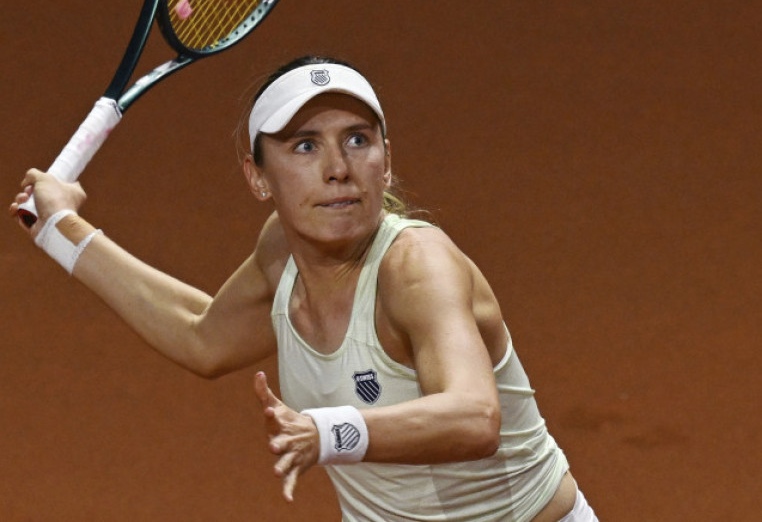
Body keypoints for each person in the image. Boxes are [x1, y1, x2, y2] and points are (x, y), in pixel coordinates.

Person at [10, 56, 598, 522]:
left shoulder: (416, 267)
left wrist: (329, 432)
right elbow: (202, 336)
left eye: (358, 140)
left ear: (387, 162)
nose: (337, 168)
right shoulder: (281, 251)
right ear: (257, 177)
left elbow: (474, 417)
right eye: (305, 146)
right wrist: (61, 231)